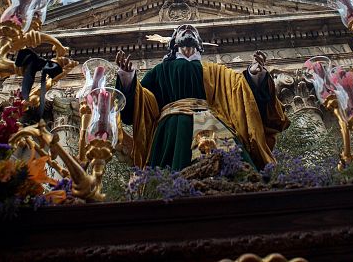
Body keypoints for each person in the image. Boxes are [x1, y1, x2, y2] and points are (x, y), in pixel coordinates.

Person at [115, 24, 288, 170]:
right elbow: (142, 103)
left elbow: (238, 90)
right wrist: (127, 78)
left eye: (192, 30)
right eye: (182, 29)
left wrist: (254, 75)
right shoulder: (160, 70)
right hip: (173, 127)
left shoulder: (215, 70)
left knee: (232, 169)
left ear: (199, 43)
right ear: (173, 41)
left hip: (213, 124)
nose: (188, 29)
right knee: (172, 171)